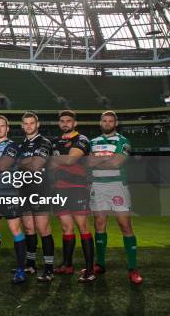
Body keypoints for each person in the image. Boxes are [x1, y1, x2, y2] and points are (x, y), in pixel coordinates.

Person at [88, 110, 142, 284]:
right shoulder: (93, 142)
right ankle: (100, 264)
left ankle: (132, 268)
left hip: (117, 185)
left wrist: (98, 160)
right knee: (99, 224)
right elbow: (88, 163)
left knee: (124, 224)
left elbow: (117, 163)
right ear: (100, 123)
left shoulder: (123, 141)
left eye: (110, 121)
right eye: (104, 120)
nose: (107, 123)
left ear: (115, 123)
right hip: (97, 185)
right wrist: (105, 160)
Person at [49, 110, 95, 282]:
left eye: (69, 120)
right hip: (59, 189)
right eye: (62, 121)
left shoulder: (81, 140)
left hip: (77, 188)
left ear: (74, 123)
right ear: (59, 123)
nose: (65, 123)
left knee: (83, 227)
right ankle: (67, 265)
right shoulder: (54, 142)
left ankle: (90, 269)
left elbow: (69, 160)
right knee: (66, 228)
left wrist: (56, 160)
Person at [0, 115, 28, 284]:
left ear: (7, 129)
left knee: (15, 231)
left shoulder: (12, 146)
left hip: (9, 195)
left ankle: (20, 269)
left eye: (2, 126)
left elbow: (2, 166)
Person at [17, 112, 55, 282]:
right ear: (22, 126)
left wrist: (23, 163)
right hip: (24, 190)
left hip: (40, 190)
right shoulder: (22, 144)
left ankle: (49, 269)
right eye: (26, 123)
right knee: (29, 228)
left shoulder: (44, 142)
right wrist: (26, 162)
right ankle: (31, 264)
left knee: (43, 229)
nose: (29, 126)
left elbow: (36, 165)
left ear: (37, 124)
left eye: (32, 123)